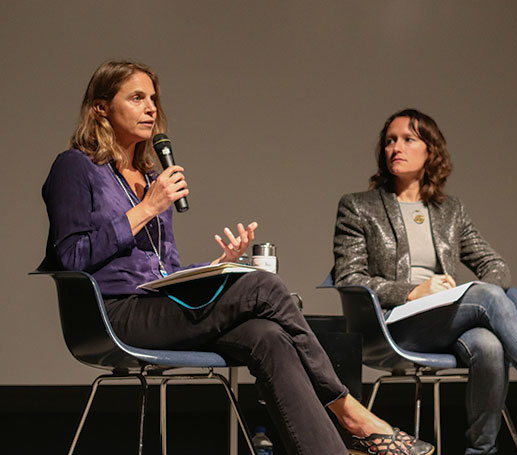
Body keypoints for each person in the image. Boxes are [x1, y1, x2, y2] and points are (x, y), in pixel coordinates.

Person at [41, 60, 434, 455]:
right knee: (261, 285)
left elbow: (167, 270)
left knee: (268, 336)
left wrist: (216, 266)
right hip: (115, 313)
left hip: (160, 308)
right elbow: (72, 257)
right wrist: (146, 208)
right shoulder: (76, 167)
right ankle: (349, 411)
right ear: (101, 108)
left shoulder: (150, 178)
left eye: (154, 99)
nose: (151, 109)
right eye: (137, 98)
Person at [332, 108, 517, 454]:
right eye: (390, 141)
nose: (395, 147)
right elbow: (350, 278)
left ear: (430, 151)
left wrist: (461, 295)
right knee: (485, 297)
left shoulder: (450, 211)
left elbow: (495, 265)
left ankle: (481, 451)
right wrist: (413, 291)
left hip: (445, 319)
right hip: (394, 324)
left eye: (408, 140)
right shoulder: (358, 207)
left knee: (488, 345)